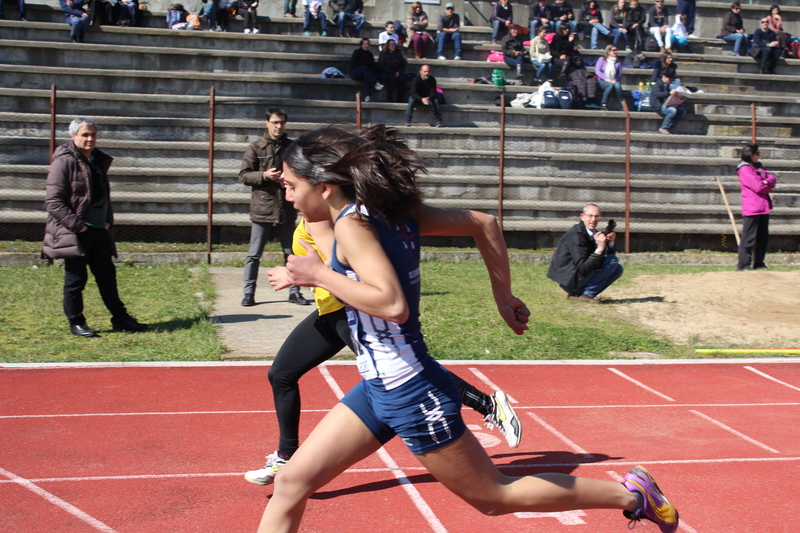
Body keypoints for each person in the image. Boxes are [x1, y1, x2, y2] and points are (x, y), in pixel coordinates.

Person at [254, 125, 679, 533]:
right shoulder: (387, 213)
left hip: (408, 390)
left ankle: (631, 495)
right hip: (377, 387)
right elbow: (483, 223)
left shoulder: (352, 223)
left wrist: (319, 276)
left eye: (292, 186)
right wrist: (503, 297)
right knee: (292, 483)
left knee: (494, 496)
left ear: (325, 186)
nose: (287, 195)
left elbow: (392, 304)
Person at [242, 216, 524, 486]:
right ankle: (286, 456)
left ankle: (488, 404)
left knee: (412, 370)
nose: (287, 190)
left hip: (350, 314)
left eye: (292, 184)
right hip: (329, 312)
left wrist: (298, 275)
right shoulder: (312, 215)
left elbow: (345, 267)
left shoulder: (326, 220)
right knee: (281, 374)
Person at [42, 117, 148, 338]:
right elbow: (53, 202)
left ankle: (121, 318)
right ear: (73, 136)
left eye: (93, 135)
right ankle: (76, 322)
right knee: (76, 280)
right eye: (85, 135)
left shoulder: (97, 160)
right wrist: (78, 226)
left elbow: (103, 197)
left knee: (107, 277)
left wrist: (108, 220)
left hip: (99, 230)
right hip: (76, 232)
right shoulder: (64, 162)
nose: (90, 139)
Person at [239, 108, 310, 307]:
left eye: (282, 123)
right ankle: (248, 293)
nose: (279, 126)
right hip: (262, 208)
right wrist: (264, 176)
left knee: (291, 252)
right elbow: (244, 175)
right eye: (275, 122)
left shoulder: (292, 147)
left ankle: (294, 292)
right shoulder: (256, 148)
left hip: (286, 208)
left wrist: (287, 180)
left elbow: (302, 172)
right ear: (267, 123)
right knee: (254, 254)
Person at [547, 203, 623, 303]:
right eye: (590, 216)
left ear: (600, 218)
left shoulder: (592, 233)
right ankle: (585, 294)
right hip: (569, 279)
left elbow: (606, 257)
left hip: (578, 277)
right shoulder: (576, 235)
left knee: (617, 269)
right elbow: (582, 267)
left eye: (597, 216)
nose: (593, 219)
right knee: (613, 260)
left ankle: (580, 295)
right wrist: (600, 248)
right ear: (582, 217)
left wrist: (610, 242)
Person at [736, 143, 776, 271]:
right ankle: (744, 264)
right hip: (753, 207)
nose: (759, 156)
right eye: (757, 153)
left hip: (764, 207)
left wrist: (767, 182)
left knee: (762, 238)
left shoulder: (758, 167)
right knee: (748, 238)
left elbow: (772, 178)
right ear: (750, 155)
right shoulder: (744, 169)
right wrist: (766, 184)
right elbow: (758, 187)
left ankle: (759, 263)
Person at [350, 38, 382, 103]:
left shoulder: (370, 55)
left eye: (368, 44)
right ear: (361, 45)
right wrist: (364, 68)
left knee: (366, 77)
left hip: (365, 74)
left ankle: (367, 96)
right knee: (364, 68)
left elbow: (372, 66)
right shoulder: (356, 52)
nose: (366, 45)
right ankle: (375, 83)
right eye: (365, 44)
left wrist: (368, 71)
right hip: (355, 73)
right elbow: (354, 64)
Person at [596, 44, 624, 110]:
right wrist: (606, 79)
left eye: (616, 50)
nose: (615, 52)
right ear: (608, 51)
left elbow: (619, 73)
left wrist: (615, 79)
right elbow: (597, 71)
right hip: (602, 81)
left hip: (613, 80)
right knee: (610, 85)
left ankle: (622, 104)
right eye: (614, 50)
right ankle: (604, 104)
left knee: (617, 85)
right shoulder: (602, 59)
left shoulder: (618, 61)